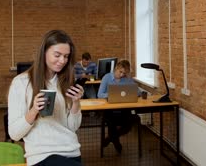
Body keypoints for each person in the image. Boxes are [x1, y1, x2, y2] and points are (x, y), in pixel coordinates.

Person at [8, 30, 84, 166]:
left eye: (66, 56)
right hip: (42, 156)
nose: (62, 61)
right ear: (43, 52)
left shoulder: (65, 82)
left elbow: (73, 127)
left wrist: (76, 104)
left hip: (72, 153)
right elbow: (14, 134)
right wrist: (33, 111)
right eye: (57, 55)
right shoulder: (21, 82)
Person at [97, 59, 140, 154]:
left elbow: (138, 92)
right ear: (116, 68)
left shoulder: (126, 79)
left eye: (124, 73)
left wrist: (129, 78)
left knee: (131, 122)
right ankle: (116, 142)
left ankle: (110, 138)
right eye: (120, 72)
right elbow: (99, 94)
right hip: (110, 110)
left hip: (124, 110)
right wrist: (111, 95)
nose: (121, 75)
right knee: (111, 123)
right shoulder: (106, 77)